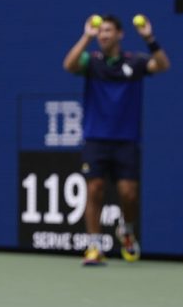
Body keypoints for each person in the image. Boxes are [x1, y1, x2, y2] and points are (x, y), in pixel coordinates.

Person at [63, 14, 171, 266]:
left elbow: (163, 65)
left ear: (120, 34)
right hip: (95, 139)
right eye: (101, 32)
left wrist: (149, 39)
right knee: (94, 190)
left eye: (108, 31)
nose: (103, 35)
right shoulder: (92, 61)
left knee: (129, 194)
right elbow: (69, 65)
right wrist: (86, 36)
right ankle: (94, 246)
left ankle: (127, 231)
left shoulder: (135, 62)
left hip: (126, 141)